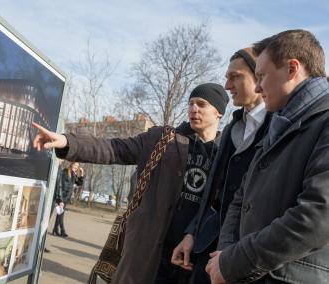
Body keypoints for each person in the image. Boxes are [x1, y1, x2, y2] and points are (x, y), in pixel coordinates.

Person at [32, 83, 229, 284]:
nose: (193, 109)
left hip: (192, 258)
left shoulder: (226, 156)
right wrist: (67, 142)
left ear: (219, 112)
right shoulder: (162, 139)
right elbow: (114, 148)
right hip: (148, 252)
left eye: (201, 104)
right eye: (191, 104)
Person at [206, 29, 329, 284]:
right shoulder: (280, 124)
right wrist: (228, 254)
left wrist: (234, 261)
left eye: (261, 76)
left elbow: (317, 216)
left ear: (292, 69)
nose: (258, 86)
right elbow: (241, 198)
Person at [171, 47, 270, 283]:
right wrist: (192, 233)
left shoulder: (279, 127)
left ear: (259, 76)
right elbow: (214, 192)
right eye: (227, 77)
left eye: (235, 77)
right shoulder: (231, 130)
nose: (227, 85)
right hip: (208, 249)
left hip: (250, 255)